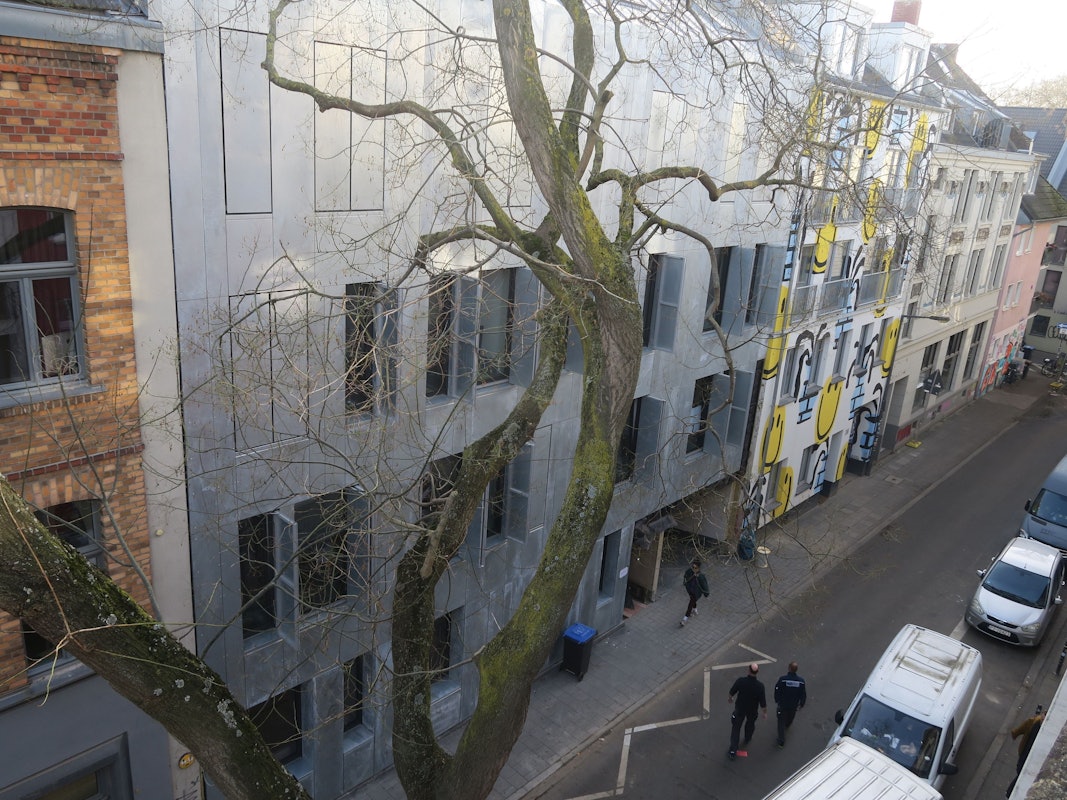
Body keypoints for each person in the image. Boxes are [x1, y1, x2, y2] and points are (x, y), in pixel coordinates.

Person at [727, 663, 767, 760]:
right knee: (750, 724)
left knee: (736, 729)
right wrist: (764, 712)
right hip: (752, 711)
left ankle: (733, 750)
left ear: (748, 670)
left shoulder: (741, 681)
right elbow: (763, 702)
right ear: (757, 672)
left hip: (740, 709)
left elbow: (731, 692)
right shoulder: (760, 686)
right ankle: (748, 737)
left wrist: (730, 699)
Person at [1006, 706, 1045, 796]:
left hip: (1029, 758)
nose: (1043, 719)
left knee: (1020, 777)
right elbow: (1024, 726)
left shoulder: (1038, 724)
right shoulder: (1035, 722)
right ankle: (1009, 794)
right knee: (1020, 775)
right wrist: (1015, 733)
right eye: (1043, 717)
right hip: (1025, 756)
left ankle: (1009, 794)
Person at [773, 661, 806, 747]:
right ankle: (787, 724)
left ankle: (781, 740)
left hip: (783, 704)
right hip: (793, 705)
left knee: (780, 721)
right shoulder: (801, 682)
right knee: (791, 717)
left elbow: (777, 689)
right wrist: (801, 704)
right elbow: (803, 693)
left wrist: (777, 699)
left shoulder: (783, 679)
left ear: (789, 668)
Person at [680, 559, 710, 626]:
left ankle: (685, 619)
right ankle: (695, 609)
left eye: (695, 568)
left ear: (698, 568)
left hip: (696, 593)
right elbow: (686, 575)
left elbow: (705, 586)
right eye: (692, 567)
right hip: (690, 590)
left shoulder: (701, 576)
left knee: (690, 604)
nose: (693, 569)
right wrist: (685, 582)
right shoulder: (690, 571)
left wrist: (706, 594)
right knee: (693, 601)